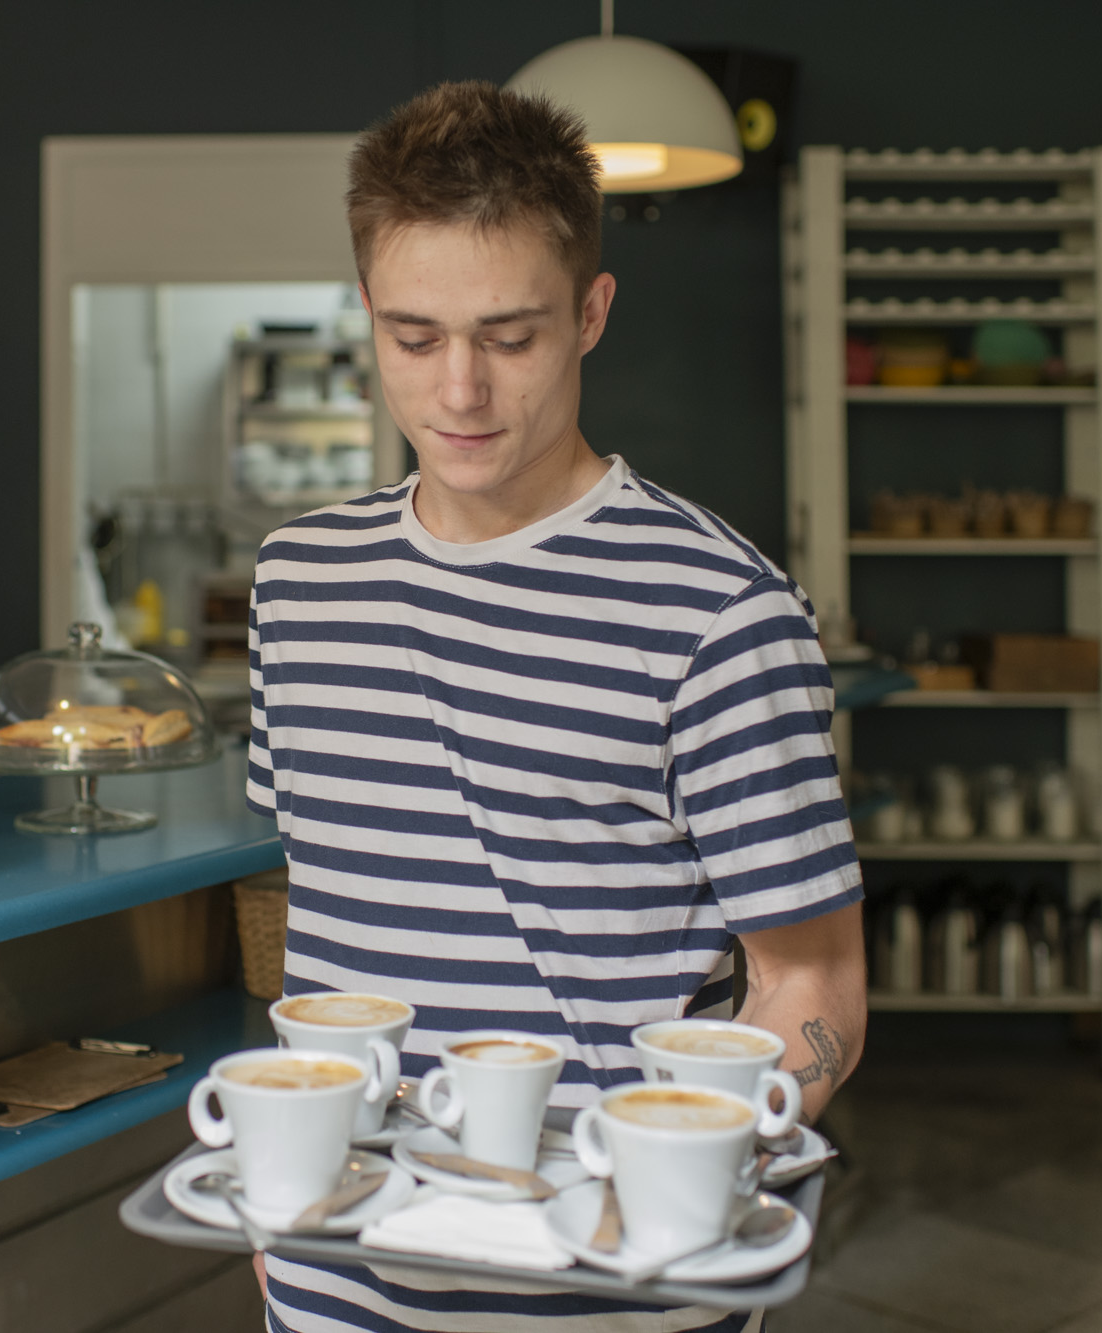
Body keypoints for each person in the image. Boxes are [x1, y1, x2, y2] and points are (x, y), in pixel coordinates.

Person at [245, 80, 866, 1333]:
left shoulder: (719, 612)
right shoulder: (296, 579)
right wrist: (276, 1193)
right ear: (366, 312)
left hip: (608, 1288)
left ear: (590, 313)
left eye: (509, 337)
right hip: (330, 1279)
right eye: (414, 337)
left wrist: (685, 1187)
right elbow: (318, 908)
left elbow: (813, 985)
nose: (458, 392)